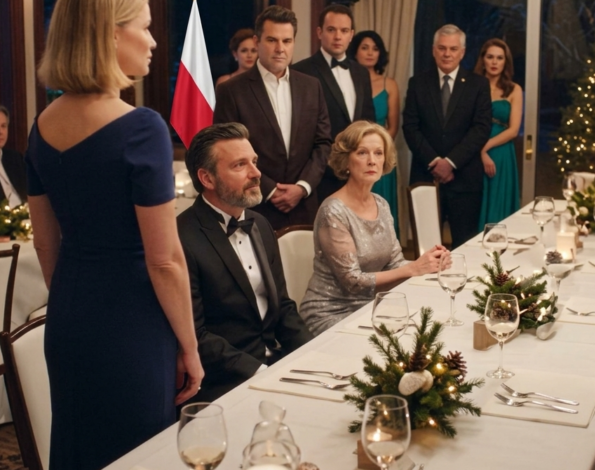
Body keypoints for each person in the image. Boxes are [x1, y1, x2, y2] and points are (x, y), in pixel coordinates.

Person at [27, 1, 203, 468]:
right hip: (132, 325)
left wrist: (75, 303)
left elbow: (45, 243)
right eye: (145, 28)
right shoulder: (141, 127)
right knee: (138, 455)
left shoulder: (41, 126)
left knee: (79, 449)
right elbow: (164, 260)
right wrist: (190, 346)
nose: (154, 41)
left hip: (68, 318)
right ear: (109, 34)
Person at [177, 123, 313, 401]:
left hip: (275, 362)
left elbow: (283, 306)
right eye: (240, 165)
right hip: (222, 381)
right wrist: (261, 374)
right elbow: (195, 334)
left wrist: (312, 354)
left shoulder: (260, 224)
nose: (256, 173)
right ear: (207, 178)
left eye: (254, 161)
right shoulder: (181, 237)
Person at [299, 121, 446, 335]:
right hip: (330, 312)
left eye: (378, 153)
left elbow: (395, 263)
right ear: (346, 160)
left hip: (373, 307)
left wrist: (429, 263)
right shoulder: (333, 210)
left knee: (431, 327)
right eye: (362, 153)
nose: (372, 161)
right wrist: (413, 268)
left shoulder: (381, 204)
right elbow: (353, 281)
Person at [214, 5, 332, 231]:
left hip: (305, 206)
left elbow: (323, 143)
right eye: (272, 40)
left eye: (287, 41)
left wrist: (303, 186)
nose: (280, 48)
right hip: (254, 205)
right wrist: (270, 190)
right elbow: (228, 150)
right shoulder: (231, 90)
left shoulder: (311, 86)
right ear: (257, 41)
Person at [402, 24, 491, 247]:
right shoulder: (417, 83)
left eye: (453, 49)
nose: (447, 54)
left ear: (462, 52)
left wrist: (450, 162)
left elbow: (481, 128)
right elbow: (410, 127)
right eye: (442, 48)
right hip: (426, 178)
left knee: (465, 247)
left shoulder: (478, 85)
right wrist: (435, 162)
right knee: (426, 249)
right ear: (434, 50)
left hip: (465, 180)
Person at [292, 4, 376, 203]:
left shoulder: (361, 72)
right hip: (320, 174)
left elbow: (368, 121)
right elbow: (300, 128)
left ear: (351, 34)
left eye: (344, 30)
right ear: (319, 32)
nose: (338, 36)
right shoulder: (301, 71)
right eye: (331, 30)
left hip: (357, 172)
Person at [349, 30, 400, 236]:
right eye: (365, 48)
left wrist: (378, 152)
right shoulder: (348, 80)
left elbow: (393, 127)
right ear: (355, 51)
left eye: (375, 48)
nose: (370, 53)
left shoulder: (390, 84)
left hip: (380, 155)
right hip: (355, 154)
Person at [473, 39, 521, 228]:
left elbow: (513, 130)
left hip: (501, 153)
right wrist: (479, 151)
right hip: (473, 151)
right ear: (483, 59)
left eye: (499, 58)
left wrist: (485, 148)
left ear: (505, 62)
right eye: (490, 57)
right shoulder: (472, 86)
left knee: (499, 209)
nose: (494, 62)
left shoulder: (514, 89)